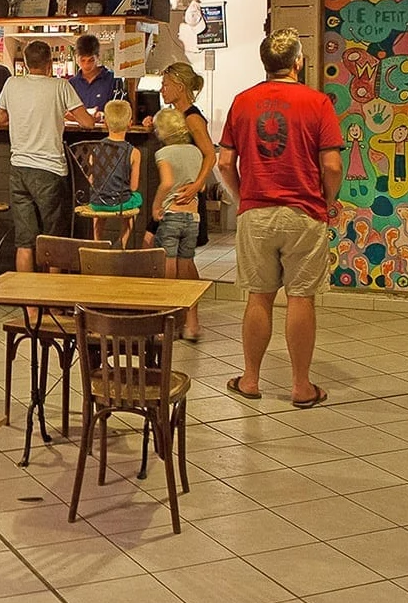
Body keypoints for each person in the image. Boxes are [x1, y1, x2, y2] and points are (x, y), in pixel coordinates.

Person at [217, 29, 344, 409]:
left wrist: (244, 198)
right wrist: (327, 199)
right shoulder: (318, 102)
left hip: (256, 212)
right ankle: (301, 386)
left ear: (265, 63)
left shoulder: (242, 102)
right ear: (298, 62)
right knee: (301, 298)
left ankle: (251, 379)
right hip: (304, 212)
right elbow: (333, 165)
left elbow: (224, 162)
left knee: (259, 296)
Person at [0, 40, 95, 274]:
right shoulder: (60, 86)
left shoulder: (12, 84)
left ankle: (28, 307)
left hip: (19, 169)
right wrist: (62, 113)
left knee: (24, 241)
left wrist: (23, 117)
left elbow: (0, 119)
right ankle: (50, 303)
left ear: (27, 63)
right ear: (50, 63)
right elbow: (88, 122)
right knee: (53, 242)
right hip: (49, 171)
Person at [144, 61, 218, 247]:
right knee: (172, 254)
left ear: (180, 87)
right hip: (173, 195)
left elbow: (210, 154)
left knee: (169, 251)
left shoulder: (192, 118)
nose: (162, 90)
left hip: (185, 195)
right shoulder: (173, 115)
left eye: (165, 85)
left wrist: (197, 185)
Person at [152, 108, 205, 340]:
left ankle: (168, 323)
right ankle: (191, 324)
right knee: (186, 269)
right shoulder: (195, 152)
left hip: (172, 215)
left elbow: (167, 182)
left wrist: (156, 206)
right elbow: (200, 186)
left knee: (168, 271)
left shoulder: (164, 153)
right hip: (193, 218)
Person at [85, 99, 142, 243]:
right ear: (129, 123)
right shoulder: (134, 152)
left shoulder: (96, 150)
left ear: (105, 123)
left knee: (99, 204)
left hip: (97, 203)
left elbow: (91, 181)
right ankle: (121, 243)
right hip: (121, 202)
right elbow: (134, 187)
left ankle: (98, 241)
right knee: (136, 199)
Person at [68, 33, 119, 113]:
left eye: (91, 60)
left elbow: (119, 111)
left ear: (98, 57)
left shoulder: (113, 80)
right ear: (77, 59)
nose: (86, 65)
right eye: (83, 60)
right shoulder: (72, 84)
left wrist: (103, 115)